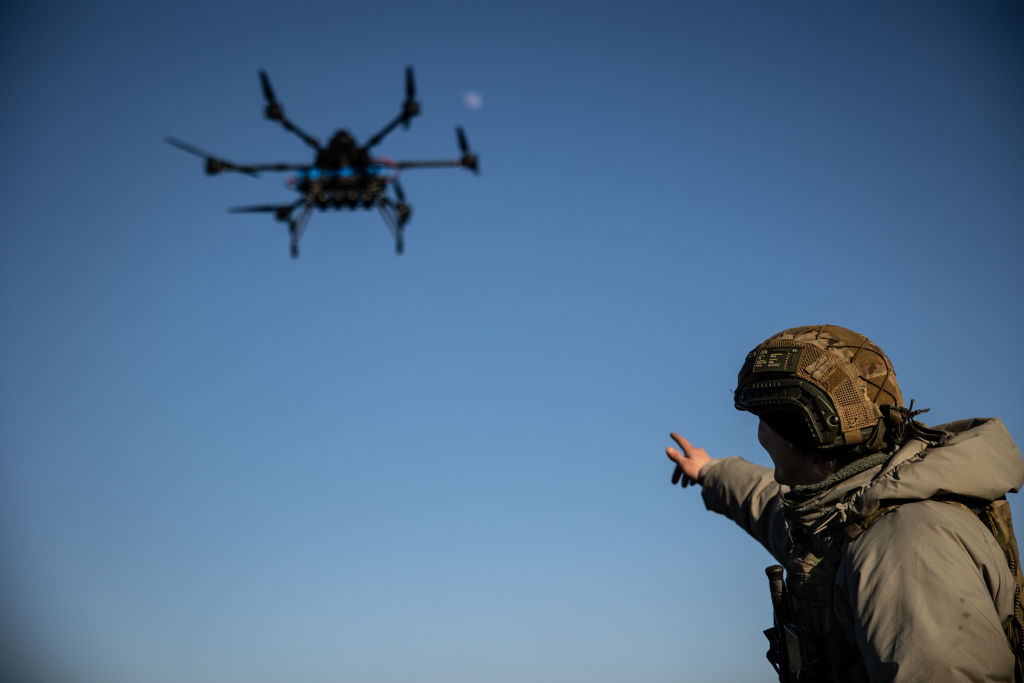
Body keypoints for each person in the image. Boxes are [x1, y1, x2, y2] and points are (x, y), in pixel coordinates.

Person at [666, 324, 1024, 683]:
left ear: (796, 431)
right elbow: (768, 503)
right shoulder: (845, 514)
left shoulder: (903, 547)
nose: (760, 434)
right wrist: (711, 472)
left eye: (763, 420)